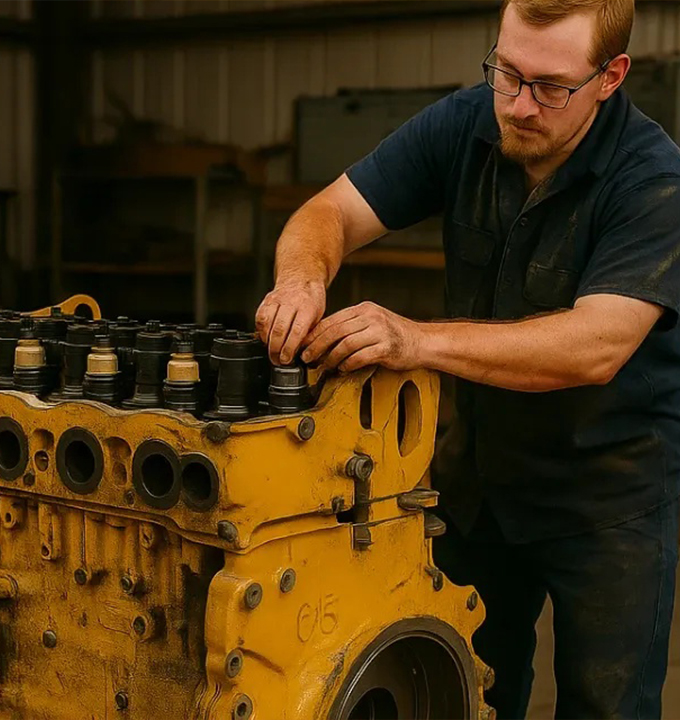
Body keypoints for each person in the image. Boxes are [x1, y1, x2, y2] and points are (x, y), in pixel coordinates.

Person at [255, 1, 680, 717]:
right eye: (506, 72)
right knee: (462, 691)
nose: (519, 105)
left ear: (610, 77)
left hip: (608, 496)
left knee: (606, 705)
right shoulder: (465, 123)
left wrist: (416, 340)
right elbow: (330, 212)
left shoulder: (655, 180)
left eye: (550, 87)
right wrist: (301, 278)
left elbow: (597, 345)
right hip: (479, 482)